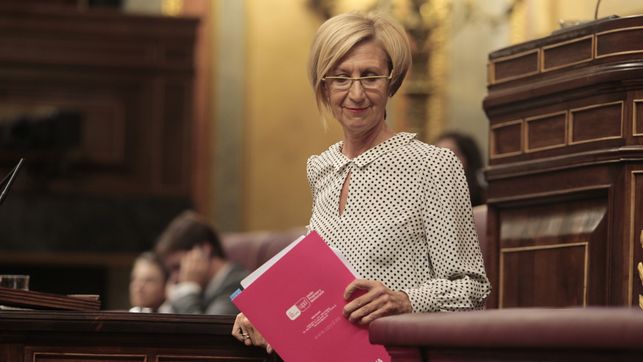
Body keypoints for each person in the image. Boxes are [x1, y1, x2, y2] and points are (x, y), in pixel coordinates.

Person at [232, 11, 490, 352]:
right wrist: (265, 315)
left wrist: (404, 300)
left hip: (397, 355)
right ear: (324, 86)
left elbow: (472, 289)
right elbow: (318, 293)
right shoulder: (321, 168)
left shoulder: (434, 166)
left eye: (370, 76)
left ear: (391, 82)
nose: (356, 94)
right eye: (341, 78)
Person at [154, 210, 248, 315]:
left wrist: (187, 290)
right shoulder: (202, 288)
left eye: (177, 266)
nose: (175, 278)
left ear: (204, 250)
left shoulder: (238, 286)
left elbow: (207, 330)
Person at [434, 132, 486, 206]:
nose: (443, 160)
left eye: (451, 154)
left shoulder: (485, 193)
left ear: (468, 158)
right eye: (437, 155)